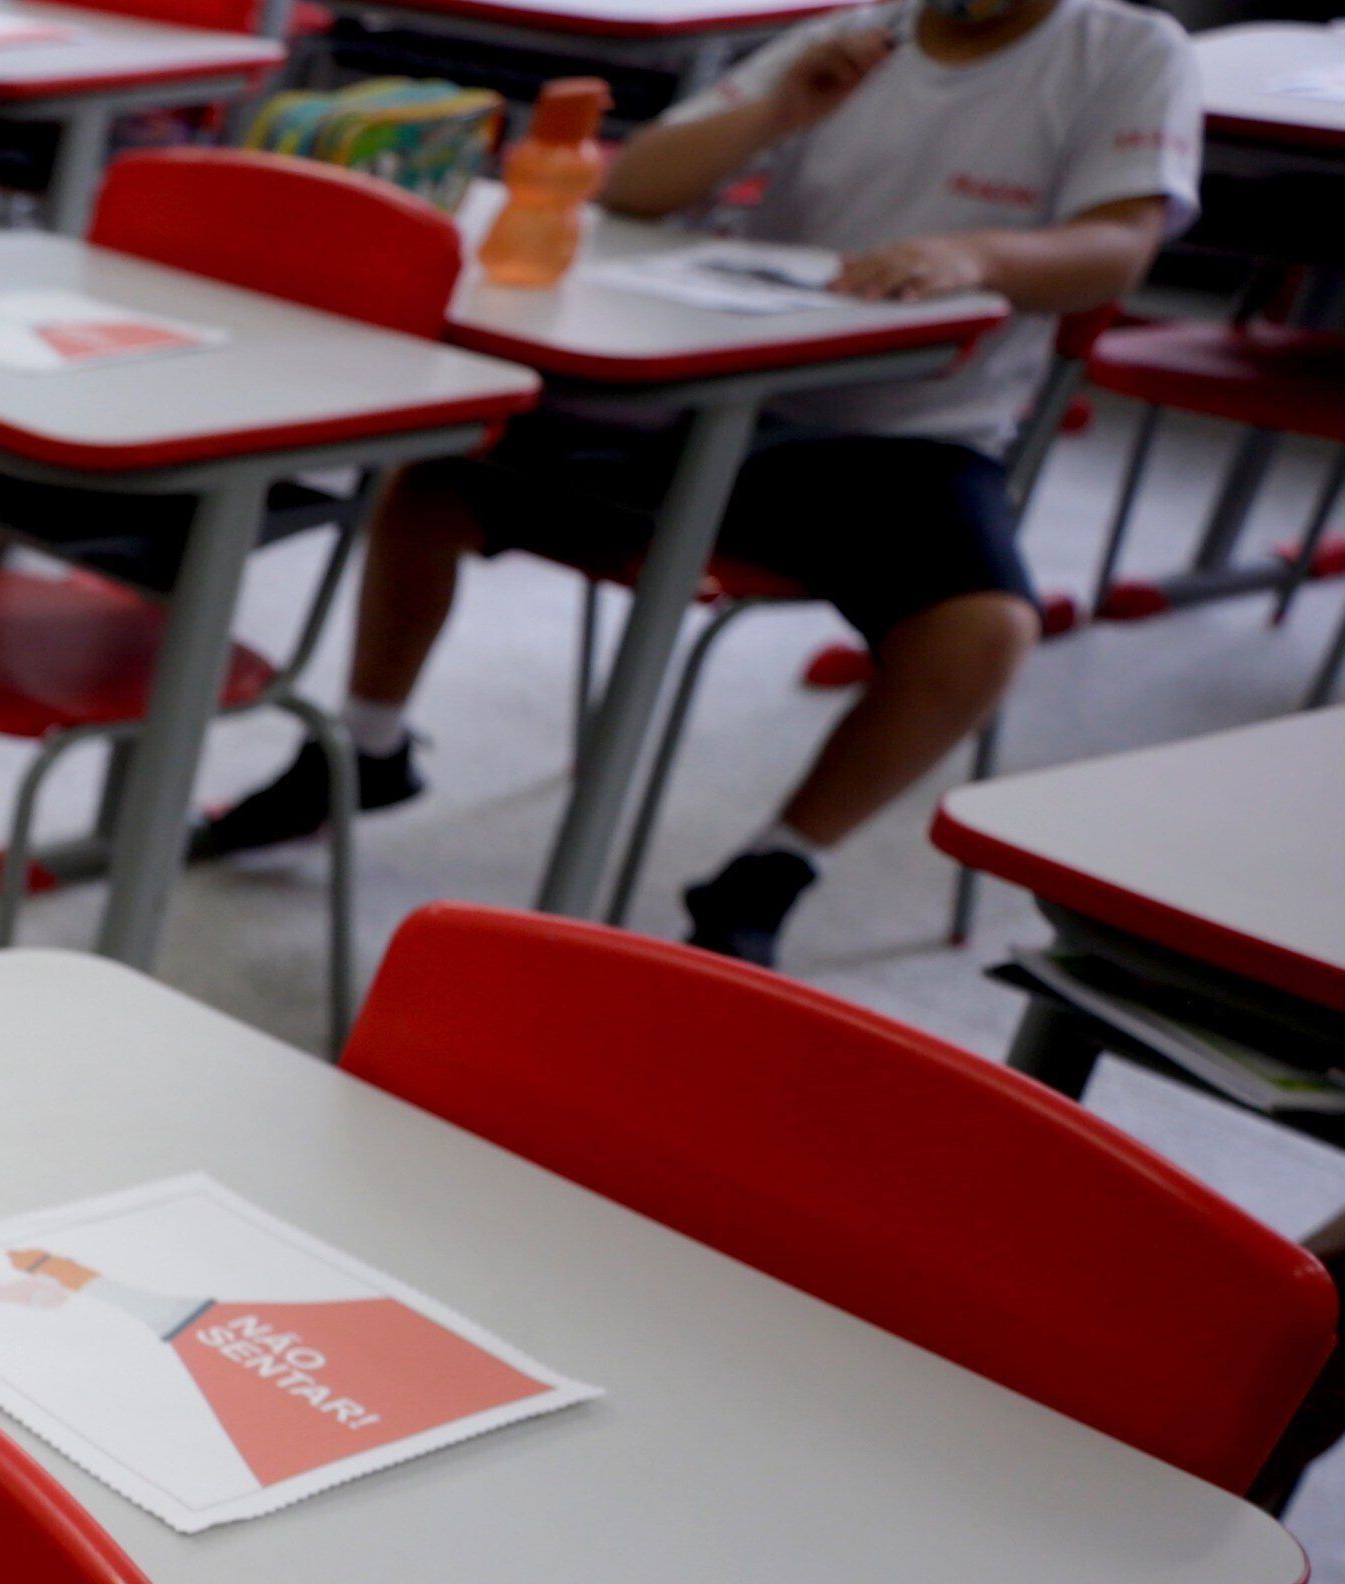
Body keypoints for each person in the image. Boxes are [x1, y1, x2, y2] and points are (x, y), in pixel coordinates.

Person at [195, 0, 1201, 966]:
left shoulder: (1124, 51)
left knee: (984, 627)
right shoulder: (858, 37)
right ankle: (366, 751)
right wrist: (780, 111)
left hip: (903, 434)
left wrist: (977, 254)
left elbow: (1118, 248)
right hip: (714, 397)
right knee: (446, 459)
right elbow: (635, 189)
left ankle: (771, 869)